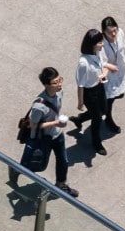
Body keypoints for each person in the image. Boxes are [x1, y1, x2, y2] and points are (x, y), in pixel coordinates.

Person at [10, 67, 78, 197]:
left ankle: (61, 185)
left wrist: (56, 123)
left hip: (57, 134)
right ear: (46, 85)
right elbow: (34, 125)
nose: (59, 84)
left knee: (63, 160)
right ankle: (16, 169)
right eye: (55, 82)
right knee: (38, 165)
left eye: (60, 80)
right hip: (43, 138)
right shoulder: (39, 106)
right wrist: (56, 123)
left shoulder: (59, 94)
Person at [71, 29, 117, 156]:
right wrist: (80, 102)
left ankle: (79, 119)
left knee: (103, 110)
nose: (102, 44)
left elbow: (103, 65)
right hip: (89, 93)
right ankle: (96, 143)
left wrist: (106, 71)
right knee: (97, 118)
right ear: (91, 44)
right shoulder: (83, 63)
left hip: (99, 86)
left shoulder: (98, 53)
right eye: (99, 42)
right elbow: (80, 85)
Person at [99, 16, 125, 134]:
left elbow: (124, 47)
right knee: (108, 102)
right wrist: (110, 67)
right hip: (109, 75)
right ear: (104, 32)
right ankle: (108, 120)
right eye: (110, 32)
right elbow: (101, 61)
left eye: (115, 30)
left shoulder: (120, 33)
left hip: (120, 70)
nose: (114, 33)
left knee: (116, 96)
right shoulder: (101, 43)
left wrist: (124, 59)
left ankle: (81, 118)